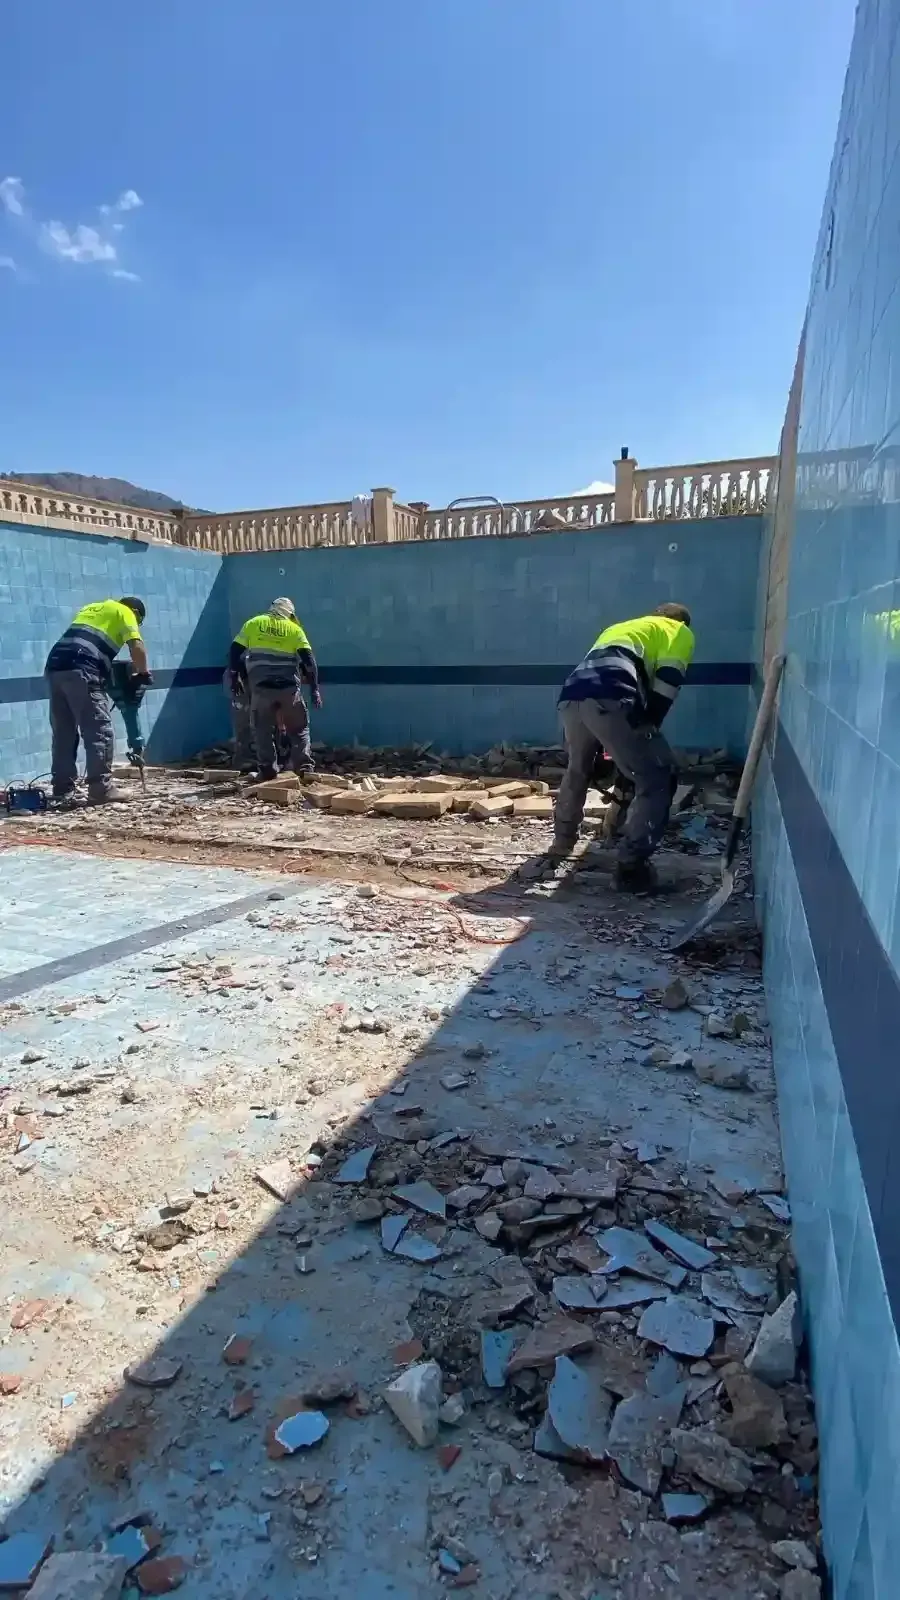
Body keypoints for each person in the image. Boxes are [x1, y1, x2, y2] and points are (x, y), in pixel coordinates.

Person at [554, 603, 695, 890]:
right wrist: (649, 724)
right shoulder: (678, 630)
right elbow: (668, 679)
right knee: (658, 776)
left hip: (572, 696)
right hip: (611, 693)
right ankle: (632, 868)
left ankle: (563, 841)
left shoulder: (622, 628)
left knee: (579, 769)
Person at [44, 597, 151, 805]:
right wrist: (143, 673)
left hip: (55, 665)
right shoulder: (125, 611)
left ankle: (62, 788)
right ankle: (101, 790)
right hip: (83, 666)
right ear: (136, 613)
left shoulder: (91, 608)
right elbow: (136, 645)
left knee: (63, 731)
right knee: (99, 731)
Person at [228, 597, 322, 781]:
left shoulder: (253, 624)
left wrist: (234, 676)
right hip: (289, 690)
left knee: (262, 730)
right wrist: (314, 689)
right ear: (289, 613)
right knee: (300, 729)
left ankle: (268, 770)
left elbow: (234, 652)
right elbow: (309, 662)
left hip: (261, 690)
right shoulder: (295, 629)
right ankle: (305, 768)